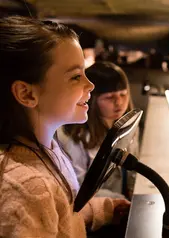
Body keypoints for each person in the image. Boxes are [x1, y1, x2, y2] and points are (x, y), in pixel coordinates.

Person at [0, 16, 130, 237]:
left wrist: (104, 209)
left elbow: (63, 213)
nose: (90, 85)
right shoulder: (28, 187)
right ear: (27, 94)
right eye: (75, 76)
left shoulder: (48, 148)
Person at [58, 61, 139, 199]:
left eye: (123, 94)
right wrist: (120, 201)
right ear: (92, 100)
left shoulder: (127, 126)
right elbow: (78, 189)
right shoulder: (75, 137)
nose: (119, 103)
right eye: (109, 97)